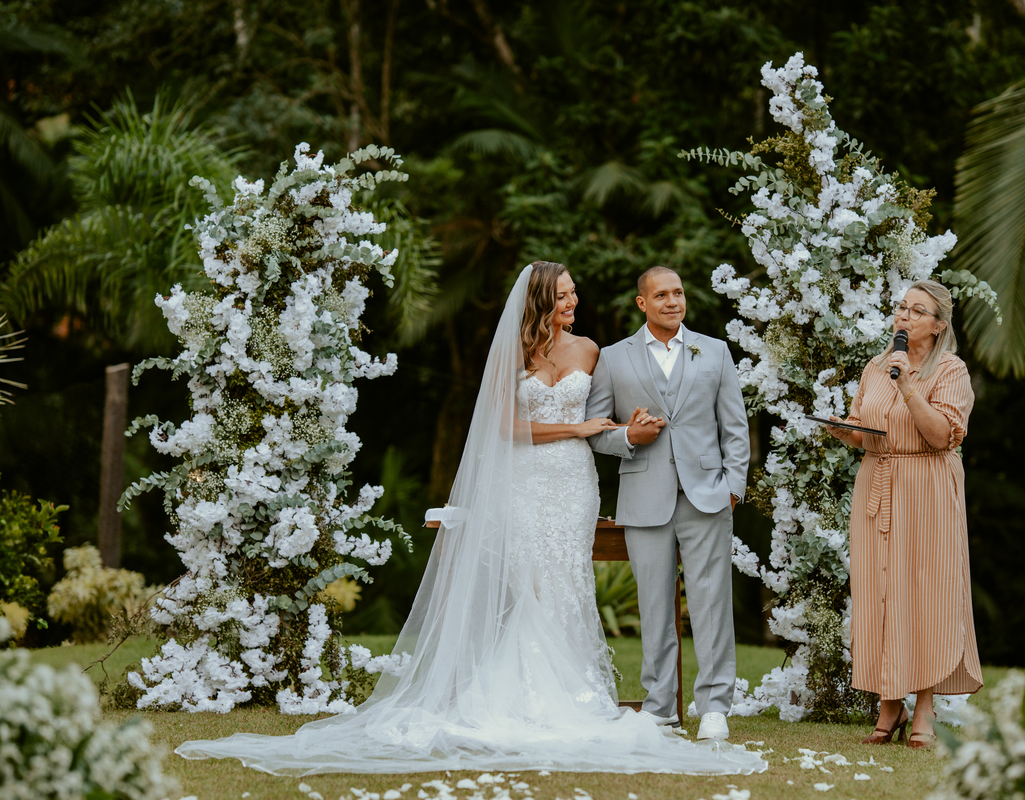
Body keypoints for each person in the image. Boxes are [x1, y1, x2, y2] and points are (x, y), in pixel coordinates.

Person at [174, 262, 767, 775]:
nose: (573, 300)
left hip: (609, 490)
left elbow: (685, 424)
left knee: (606, 588)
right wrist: (608, 433)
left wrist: (718, 478)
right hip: (568, 487)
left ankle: (691, 705)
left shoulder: (636, 351)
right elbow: (553, 428)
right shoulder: (569, 354)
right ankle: (633, 704)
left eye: (575, 293)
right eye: (564, 294)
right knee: (581, 594)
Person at [586, 266, 751, 743]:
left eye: (678, 292)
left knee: (711, 603)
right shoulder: (614, 359)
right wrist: (628, 437)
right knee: (654, 606)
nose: (672, 301)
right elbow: (596, 431)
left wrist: (732, 488)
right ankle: (660, 708)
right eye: (661, 295)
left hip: (707, 496)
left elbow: (734, 427)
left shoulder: (715, 351)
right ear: (643, 303)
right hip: (644, 494)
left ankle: (715, 706)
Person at [825, 279, 984, 750]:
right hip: (878, 484)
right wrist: (845, 430)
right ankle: (888, 704)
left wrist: (909, 385)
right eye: (901, 308)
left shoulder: (951, 370)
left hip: (928, 488)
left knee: (926, 594)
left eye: (917, 312)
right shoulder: (876, 367)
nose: (904, 317)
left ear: (937, 326)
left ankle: (925, 710)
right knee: (880, 589)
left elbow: (940, 435)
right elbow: (867, 428)